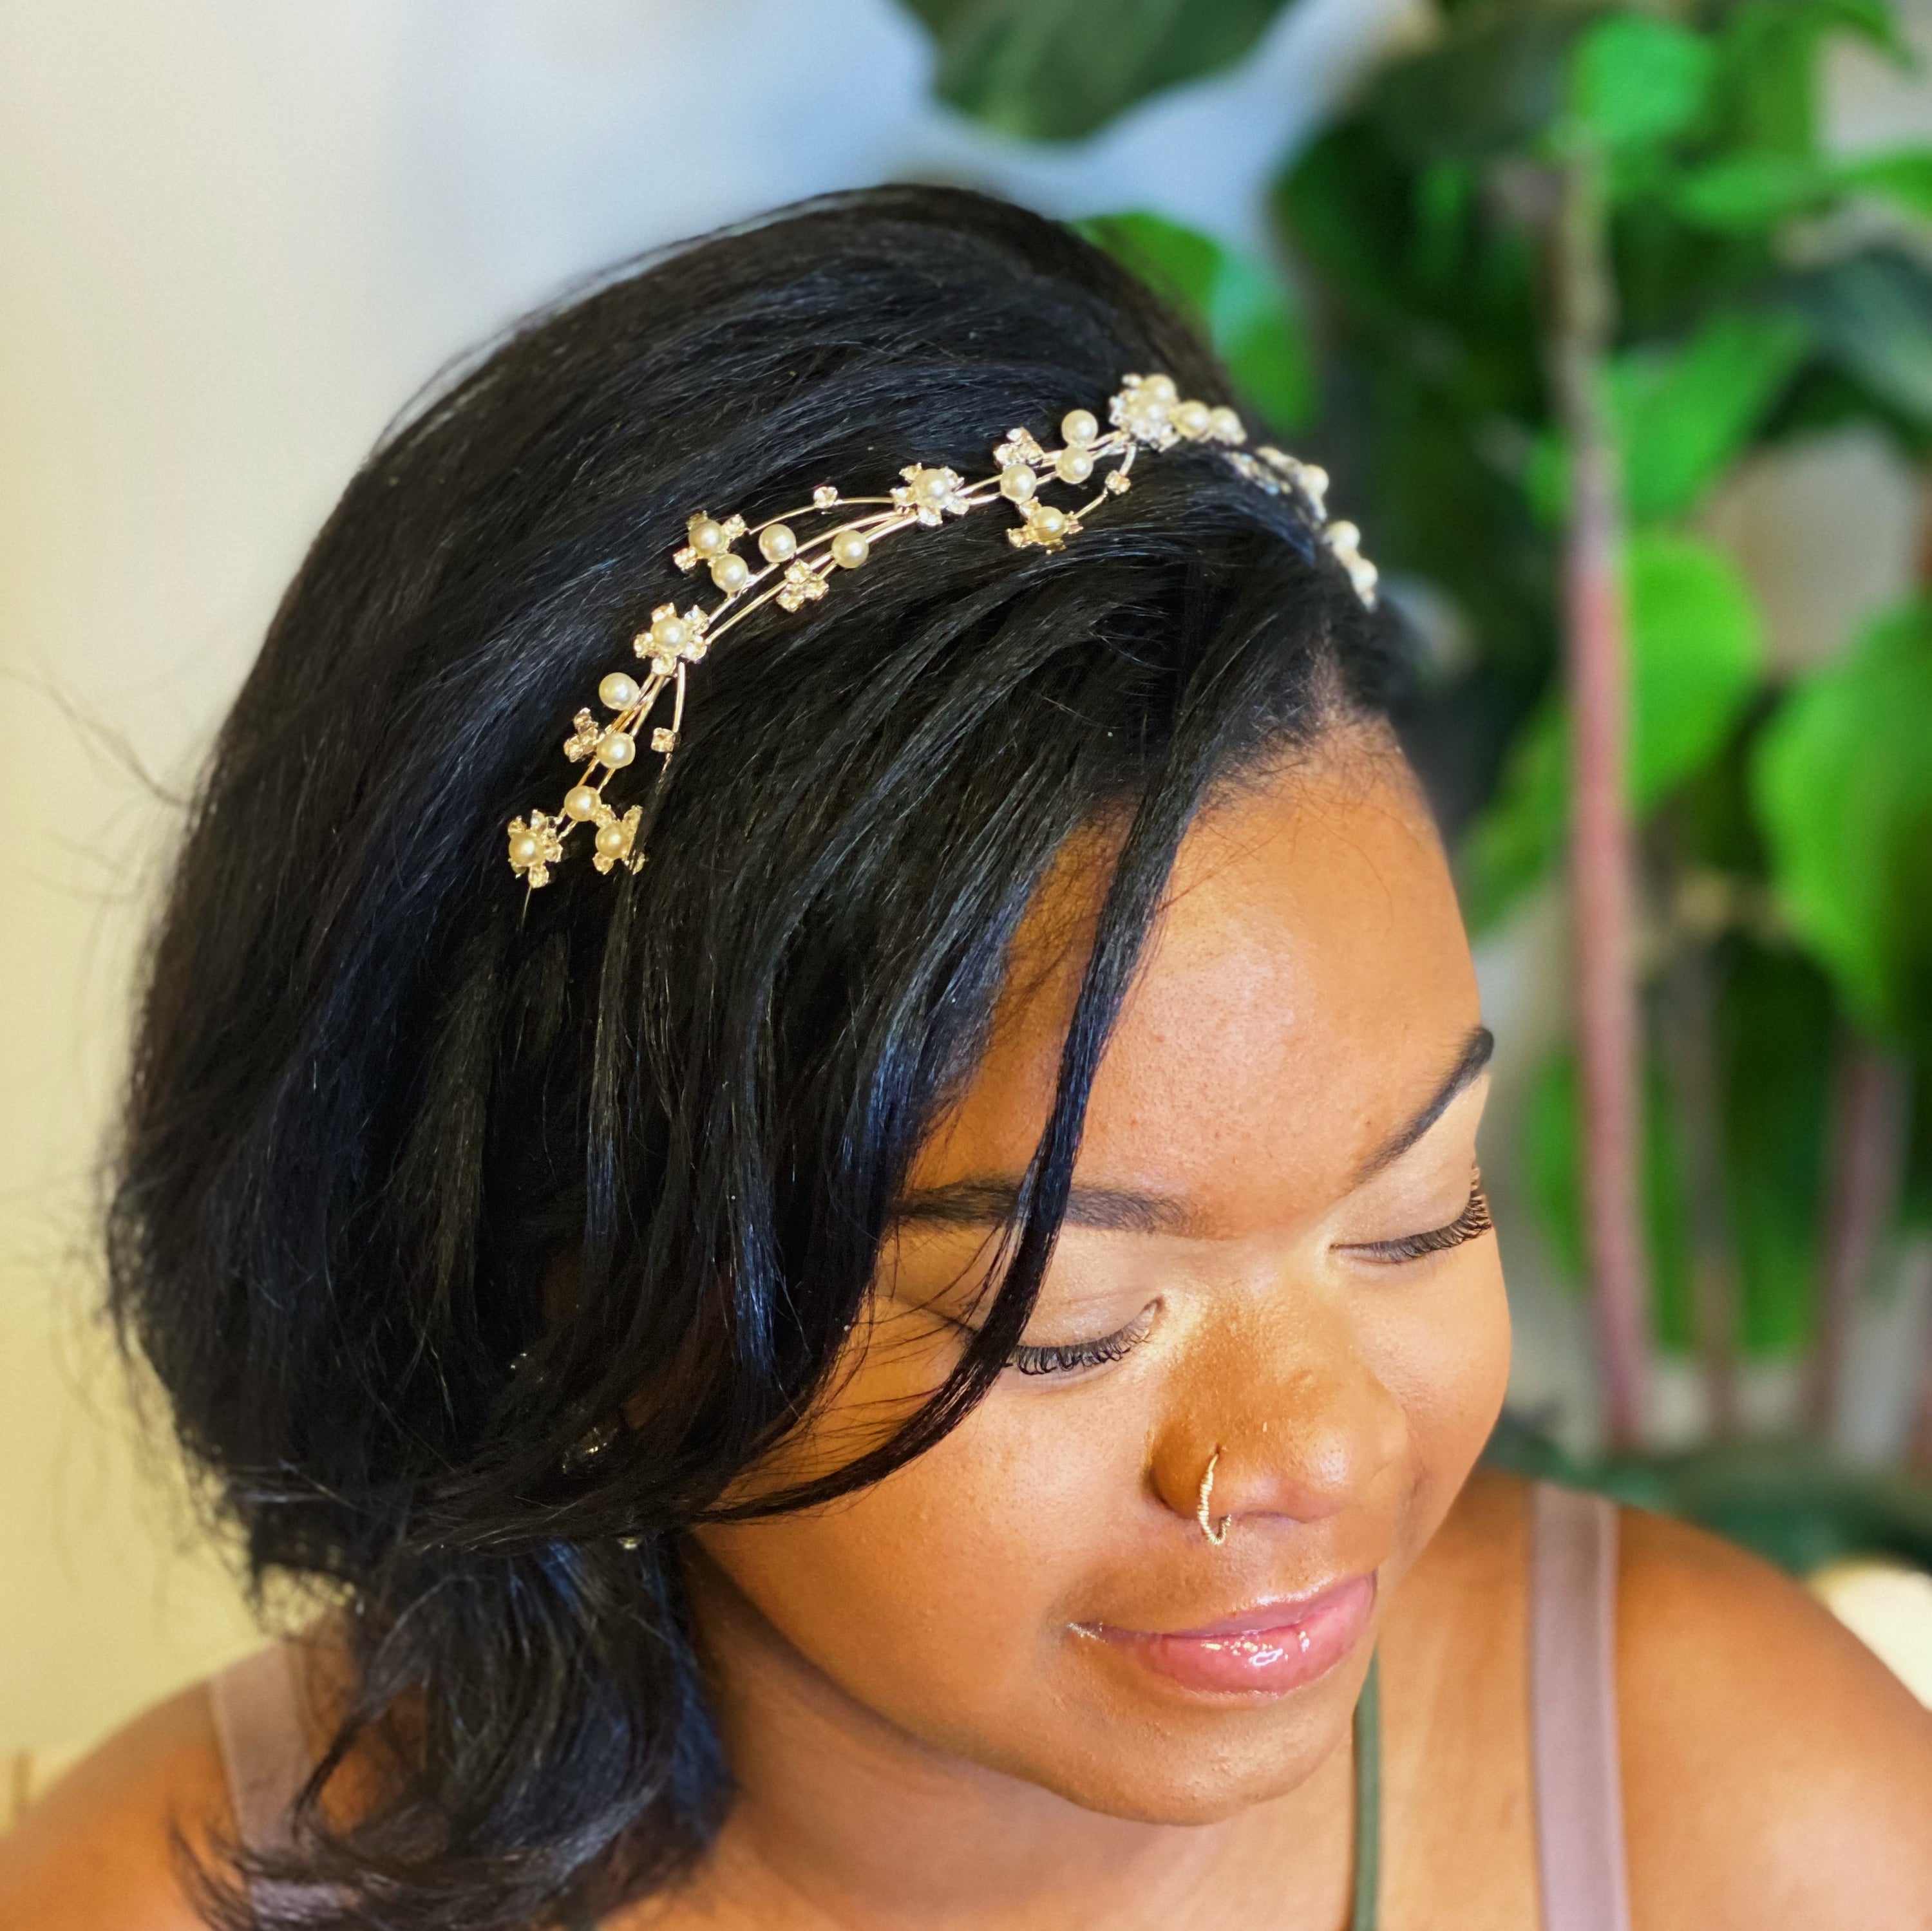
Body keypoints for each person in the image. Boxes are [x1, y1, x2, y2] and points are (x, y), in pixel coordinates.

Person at [2, 187, 1927, 1931]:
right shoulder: (157, 1900)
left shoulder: (1738, 1818)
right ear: (570, 1278)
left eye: (1420, 1213)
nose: (1320, 1448)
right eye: (1067, 1321)